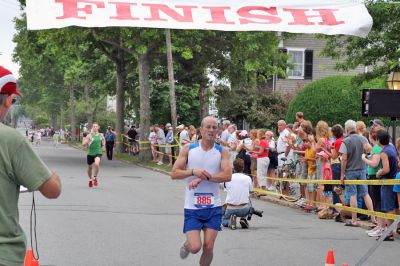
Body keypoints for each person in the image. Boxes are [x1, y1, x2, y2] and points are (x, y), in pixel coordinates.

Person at [0, 66, 61, 265]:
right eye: (13, 100)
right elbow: (52, 190)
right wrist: (53, 176)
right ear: (8, 100)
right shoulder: (10, 139)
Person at [170, 116, 232, 265]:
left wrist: (203, 177)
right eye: (208, 127)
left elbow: (227, 175)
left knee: (209, 247)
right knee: (195, 247)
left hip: (213, 206)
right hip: (192, 206)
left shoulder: (221, 151)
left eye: (214, 127)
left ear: (217, 131)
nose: (211, 130)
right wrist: (193, 172)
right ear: (201, 129)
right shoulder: (189, 149)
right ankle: (188, 243)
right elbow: (174, 173)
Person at [339, 120, 374, 227]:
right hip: (362, 169)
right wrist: (364, 156)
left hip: (350, 171)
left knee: (352, 194)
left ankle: (354, 219)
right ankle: (373, 218)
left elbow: (344, 159)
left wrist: (342, 174)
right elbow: (369, 149)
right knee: (365, 194)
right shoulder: (363, 138)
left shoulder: (345, 141)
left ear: (346, 130)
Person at [222, 159, 256, 230]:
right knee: (248, 199)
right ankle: (243, 218)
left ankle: (229, 222)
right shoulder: (248, 178)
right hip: (244, 209)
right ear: (243, 168)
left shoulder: (228, 178)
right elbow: (251, 191)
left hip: (230, 208)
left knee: (223, 219)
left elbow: (226, 190)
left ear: (233, 168)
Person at [82, 122, 105, 188]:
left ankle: (95, 177)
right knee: (90, 167)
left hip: (98, 152)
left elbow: (103, 140)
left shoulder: (101, 135)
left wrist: (103, 146)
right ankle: (90, 179)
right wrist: (85, 141)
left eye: (96, 126)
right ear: (92, 127)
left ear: (98, 127)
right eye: (94, 126)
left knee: (97, 164)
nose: (95, 127)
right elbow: (83, 144)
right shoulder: (89, 135)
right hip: (90, 153)